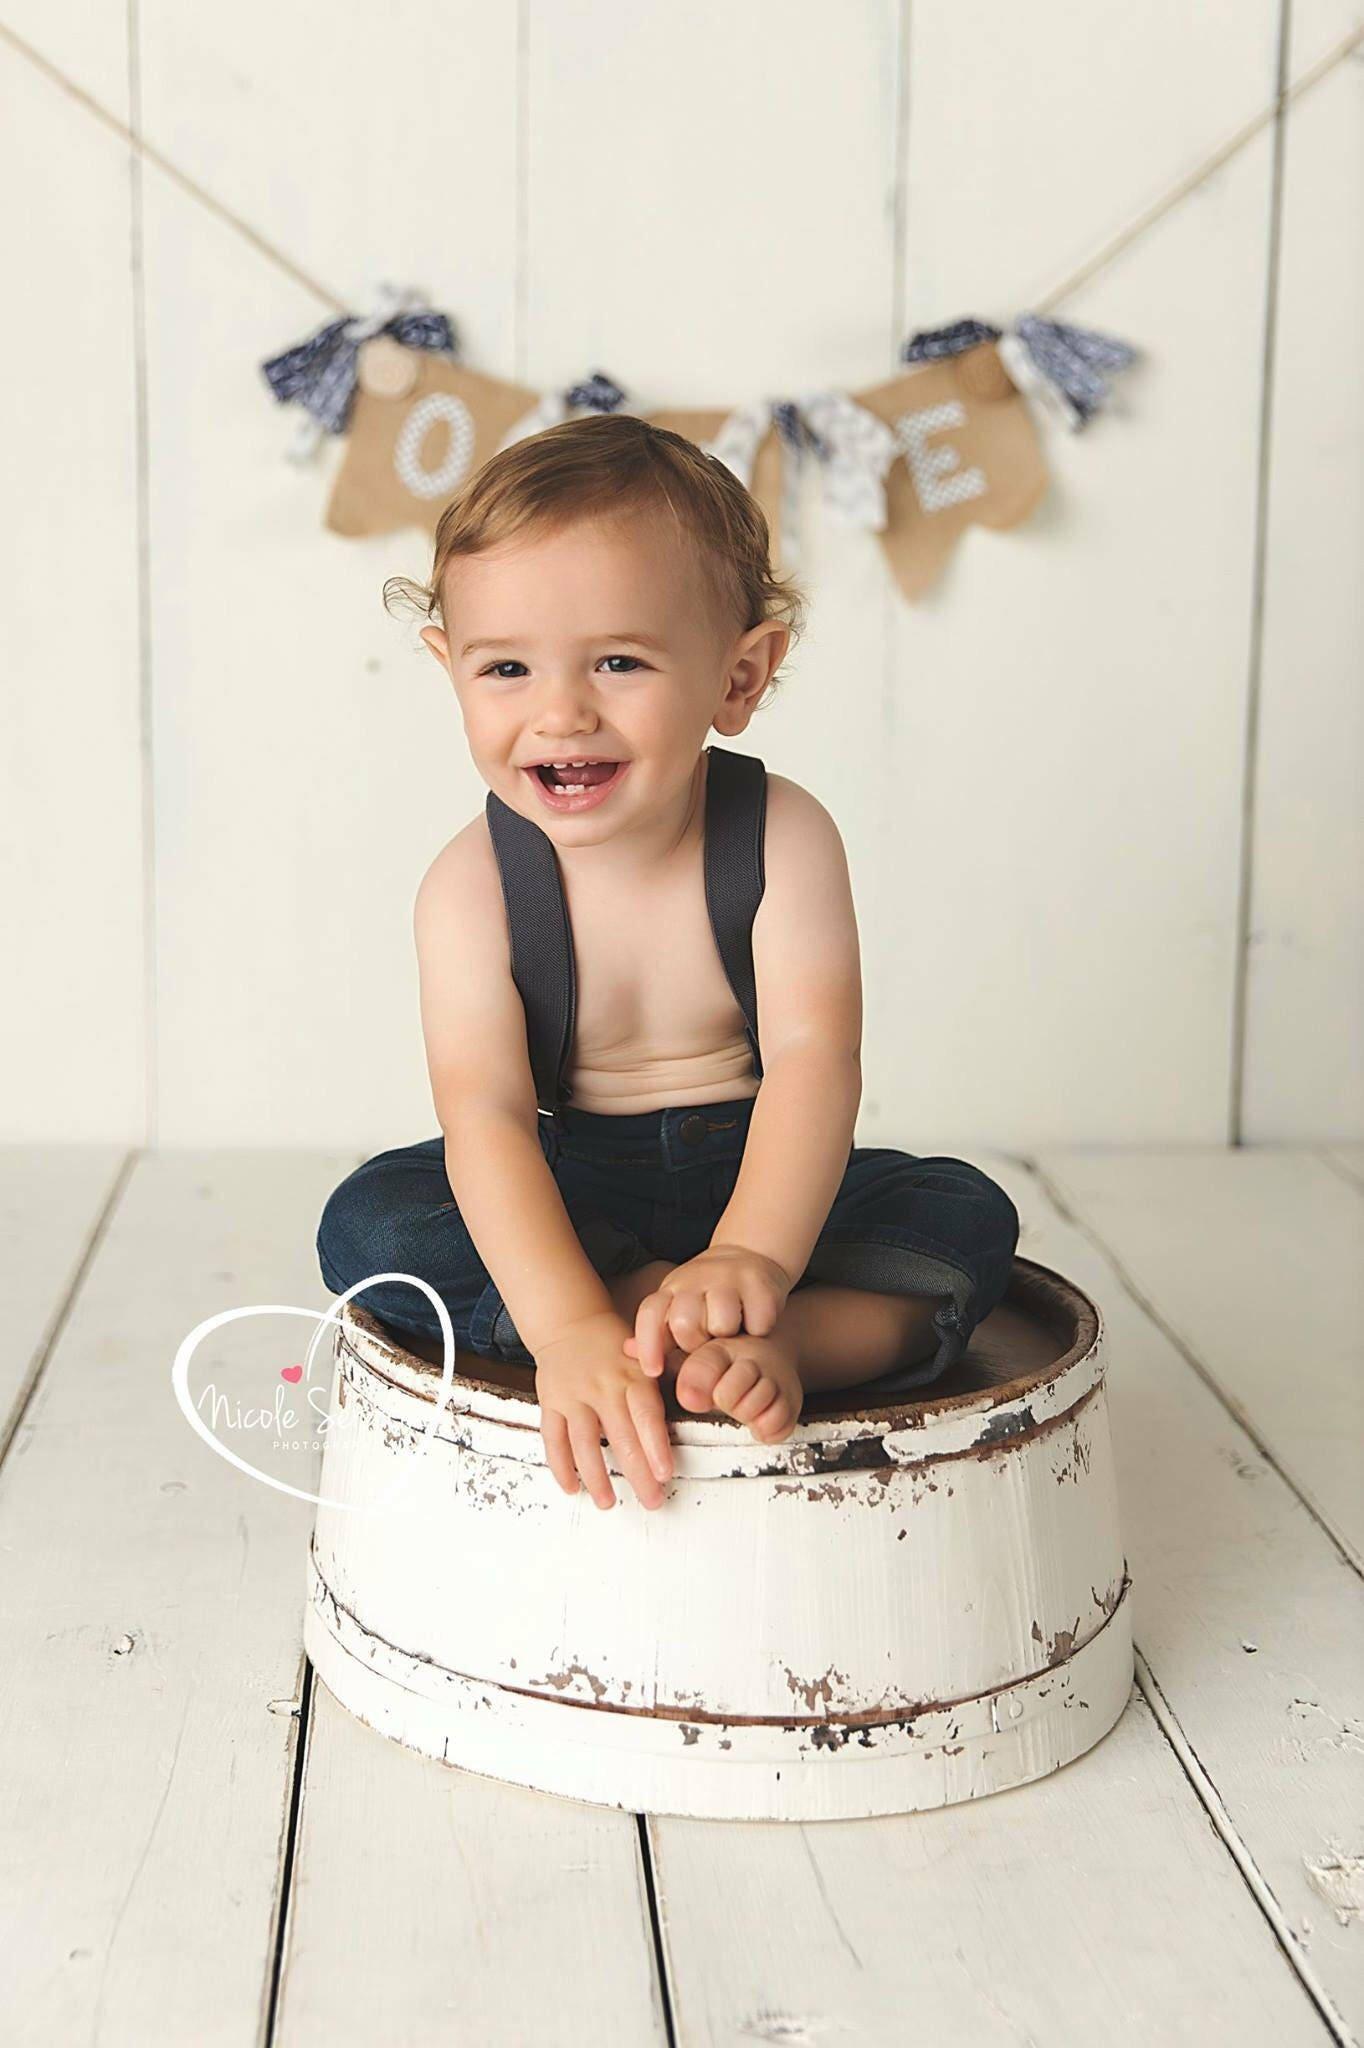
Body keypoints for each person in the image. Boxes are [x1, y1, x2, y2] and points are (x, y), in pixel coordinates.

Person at [315, 413, 1019, 1514]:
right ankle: (642, 1316)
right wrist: (567, 1327)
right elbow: (489, 1117)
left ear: (738, 676)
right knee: (372, 1223)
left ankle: (785, 1338)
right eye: (505, 666)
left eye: (618, 661)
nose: (561, 711)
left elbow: (812, 1060)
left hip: (767, 1169)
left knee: (964, 1212)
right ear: (448, 668)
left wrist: (753, 1251)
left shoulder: (780, 833)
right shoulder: (470, 887)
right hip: (576, 1190)